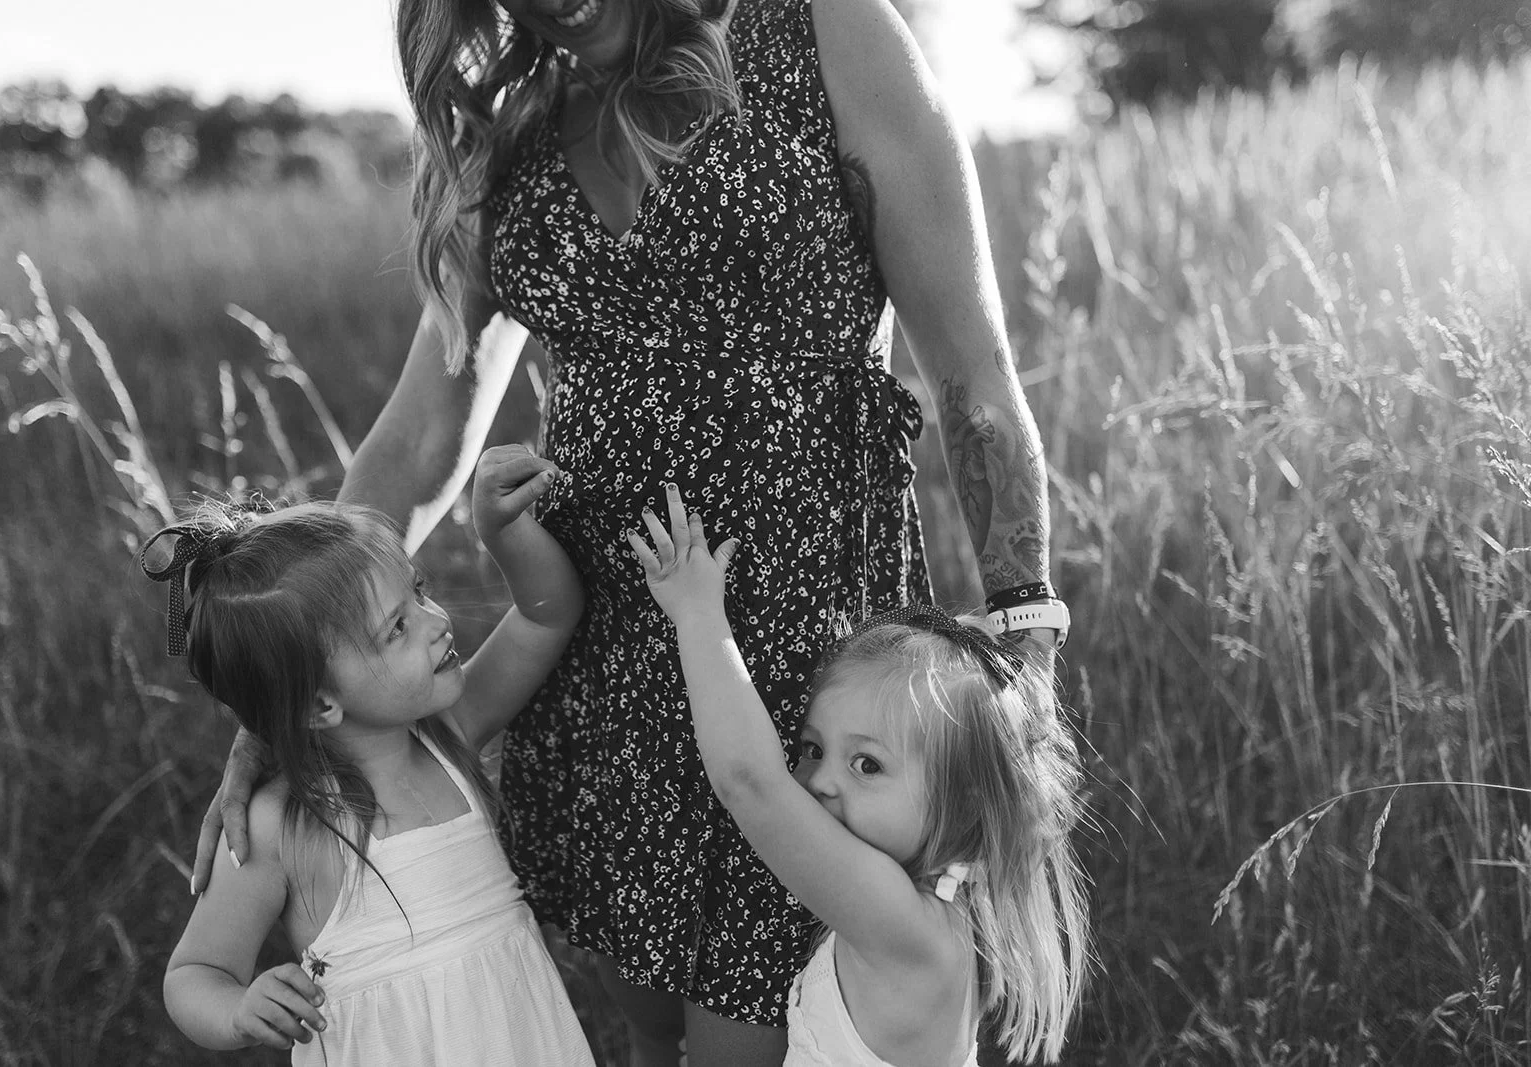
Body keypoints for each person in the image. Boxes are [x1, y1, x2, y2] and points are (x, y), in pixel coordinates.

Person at [192, 0, 1072, 1062]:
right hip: (602, 664)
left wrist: (1027, 644)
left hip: (806, 665)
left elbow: (972, 373)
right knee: (655, 1030)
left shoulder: (822, 31)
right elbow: (426, 431)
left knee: (776, 1025)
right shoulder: (509, 130)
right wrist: (278, 695)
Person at [152, 446, 594, 1066]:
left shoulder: (448, 739)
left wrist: (503, 531)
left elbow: (546, 617)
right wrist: (236, 1009)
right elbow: (194, 971)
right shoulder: (283, 826)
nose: (436, 620)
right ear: (319, 705)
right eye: (397, 628)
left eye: (420, 593)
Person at [628, 485, 1089, 1064]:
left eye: (867, 764)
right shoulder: (942, 907)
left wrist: (698, 614)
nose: (818, 781)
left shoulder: (903, 926)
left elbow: (751, 782)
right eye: (812, 749)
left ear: (963, 803)